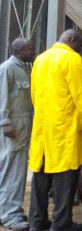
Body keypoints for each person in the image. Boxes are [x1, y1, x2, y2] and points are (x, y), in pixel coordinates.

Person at [29, 30, 82, 231]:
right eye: (79, 46)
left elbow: (34, 95)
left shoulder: (40, 60)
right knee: (65, 178)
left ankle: (37, 222)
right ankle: (61, 224)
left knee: (40, 177)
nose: (80, 50)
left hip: (42, 129)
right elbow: (80, 95)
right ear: (72, 41)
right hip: (64, 129)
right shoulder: (72, 59)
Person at [0, 39, 36, 231]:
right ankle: (10, 215)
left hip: (21, 128)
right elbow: (1, 96)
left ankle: (6, 211)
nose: (33, 51)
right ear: (19, 50)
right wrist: (4, 122)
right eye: (30, 48)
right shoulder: (8, 68)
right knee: (12, 171)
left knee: (15, 170)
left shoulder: (24, 68)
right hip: (13, 129)